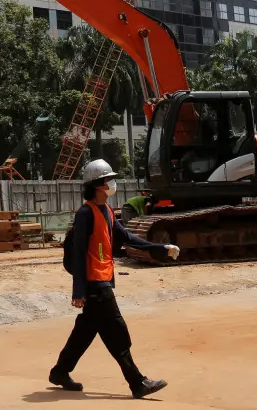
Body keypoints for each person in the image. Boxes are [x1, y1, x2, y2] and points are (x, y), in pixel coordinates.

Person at [50, 159, 178, 399]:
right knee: (116, 332)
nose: (113, 183)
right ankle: (137, 382)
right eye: (109, 179)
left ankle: (60, 372)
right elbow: (78, 255)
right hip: (94, 284)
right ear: (99, 185)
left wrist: (159, 248)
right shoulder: (86, 213)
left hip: (103, 279)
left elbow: (127, 237)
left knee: (85, 332)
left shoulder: (106, 211)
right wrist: (78, 291)